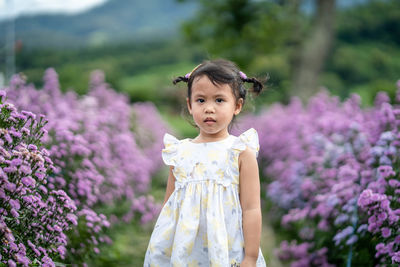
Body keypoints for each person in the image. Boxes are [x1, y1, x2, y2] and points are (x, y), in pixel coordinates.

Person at [144, 59, 267, 267]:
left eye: (219, 100)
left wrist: (251, 257)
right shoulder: (180, 152)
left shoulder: (240, 152)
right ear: (190, 105)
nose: (209, 108)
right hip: (184, 250)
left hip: (226, 247)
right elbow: (169, 205)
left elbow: (251, 209)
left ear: (237, 106)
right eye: (201, 101)